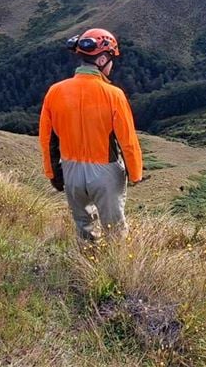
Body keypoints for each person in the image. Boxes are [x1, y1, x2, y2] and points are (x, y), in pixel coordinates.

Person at [39, 28, 143, 240]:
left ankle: (86, 266)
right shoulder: (114, 95)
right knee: (115, 232)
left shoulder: (55, 92)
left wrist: (53, 174)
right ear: (103, 59)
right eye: (112, 59)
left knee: (84, 229)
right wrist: (135, 173)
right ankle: (118, 270)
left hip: (71, 171)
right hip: (106, 172)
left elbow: (48, 140)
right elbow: (127, 141)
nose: (112, 65)